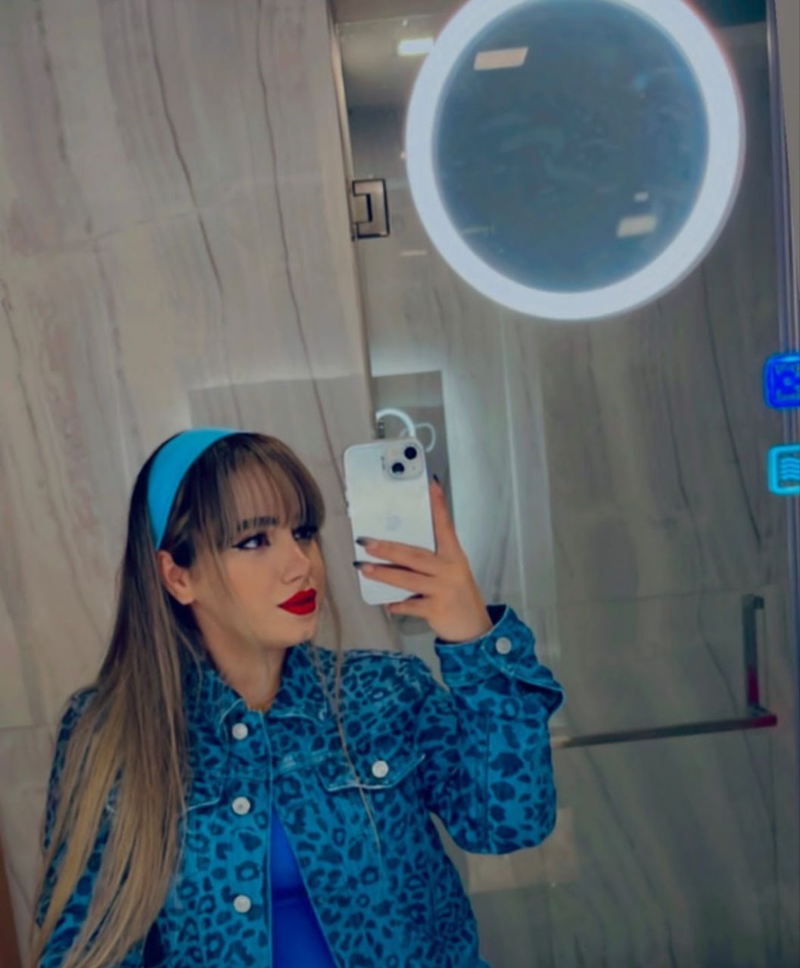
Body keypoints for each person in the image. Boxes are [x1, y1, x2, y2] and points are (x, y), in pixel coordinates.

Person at [29, 428, 565, 968]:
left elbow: (510, 823)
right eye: (254, 541)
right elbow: (82, 947)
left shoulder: (386, 692)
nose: (300, 563)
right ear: (178, 576)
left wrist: (475, 642)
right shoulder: (113, 732)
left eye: (303, 532)